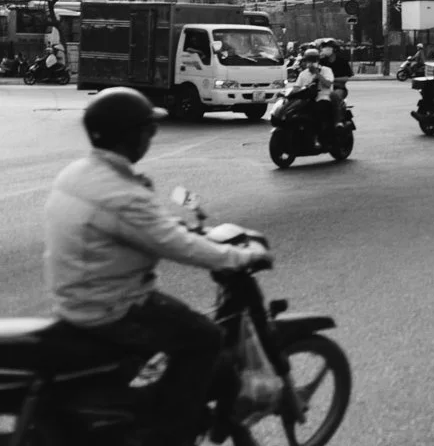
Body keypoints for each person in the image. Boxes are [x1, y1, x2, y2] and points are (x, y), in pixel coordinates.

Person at [44, 88, 271, 446]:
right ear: (130, 136)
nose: (150, 139)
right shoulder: (121, 194)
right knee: (206, 337)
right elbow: (179, 246)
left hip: (76, 297)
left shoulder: (80, 173)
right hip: (113, 307)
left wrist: (168, 222)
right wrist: (242, 257)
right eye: (148, 131)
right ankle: (173, 432)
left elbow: (146, 227)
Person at [293, 47, 337, 130]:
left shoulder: (326, 70)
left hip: (323, 97)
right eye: (308, 60)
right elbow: (296, 88)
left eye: (313, 60)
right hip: (307, 99)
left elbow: (328, 84)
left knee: (320, 109)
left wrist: (317, 73)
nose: (311, 62)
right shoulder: (303, 74)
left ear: (318, 60)